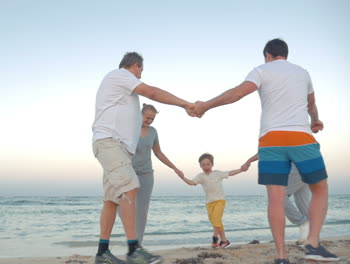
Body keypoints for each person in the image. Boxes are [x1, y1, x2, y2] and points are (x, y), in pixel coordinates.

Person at [193, 38, 339, 263]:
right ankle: (313, 243)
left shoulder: (261, 70)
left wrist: (205, 105)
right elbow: (311, 105)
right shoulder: (303, 73)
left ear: (267, 55)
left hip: (271, 140)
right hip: (302, 138)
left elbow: (237, 93)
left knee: (276, 199)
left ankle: (281, 256)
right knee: (320, 188)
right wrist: (316, 121)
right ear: (285, 54)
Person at [92, 52, 196, 264]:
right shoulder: (120, 75)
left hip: (115, 148)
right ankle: (134, 250)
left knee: (111, 200)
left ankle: (102, 253)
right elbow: (153, 92)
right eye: (140, 71)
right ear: (135, 65)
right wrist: (185, 104)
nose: (140, 76)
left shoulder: (123, 87)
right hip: (110, 143)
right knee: (131, 186)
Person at [131, 103, 185, 244]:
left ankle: (138, 245)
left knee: (142, 211)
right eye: (147, 117)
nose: (149, 121)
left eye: (152, 119)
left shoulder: (153, 132)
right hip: (129, 173)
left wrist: (174, 167)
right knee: (122, 205)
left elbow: (158, 153)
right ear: (140, 114)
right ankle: (130, 237)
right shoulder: (129, 128)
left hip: (146, 175)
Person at [181, 153, 247, 249]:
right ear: (200, 166)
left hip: (220, 201)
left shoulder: (217, 173)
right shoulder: (201, 176)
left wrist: (241, 170)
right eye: (203, 165)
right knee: (216, 222)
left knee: (216, 219)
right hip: (209, 203)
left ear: (212, 164)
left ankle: (215, 238)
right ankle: (224, 241)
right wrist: (182, 177)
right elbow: (191, 183)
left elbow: (230, 173)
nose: (206, 166)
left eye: (208, 164)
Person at [243, 154, 311, 244]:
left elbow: (266, 150)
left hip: (297, 166)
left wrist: (248, 161)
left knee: (277, 196)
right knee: (303, 202)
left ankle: (302, 222)